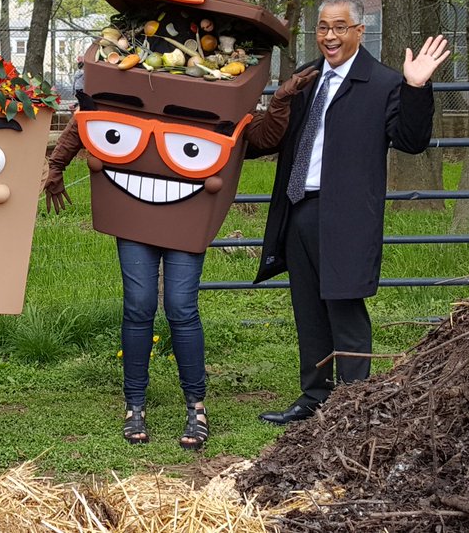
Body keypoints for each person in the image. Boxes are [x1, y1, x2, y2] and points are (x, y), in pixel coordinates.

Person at [42, 68, 317, 449]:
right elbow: (92, 120)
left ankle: (196, 405)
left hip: (186, 215)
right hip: (134, 214)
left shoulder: (214, 92)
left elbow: (258, 137)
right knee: (138, 305)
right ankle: (134, 404)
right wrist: (57, 165)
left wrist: (282, 100)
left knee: (181, 307)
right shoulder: (138, 80)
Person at [252, 0, 450, 425]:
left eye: (339, 28)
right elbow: (274, 134)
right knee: (308, 308)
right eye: (323, 27)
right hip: (299, 207)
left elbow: (411, 140)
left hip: (347, 213)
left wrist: (416, 87)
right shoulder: (305, 77)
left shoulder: (381, 82)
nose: (329, 37)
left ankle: (356, 402)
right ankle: (314, 397)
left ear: (360, 31)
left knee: (344, 305)